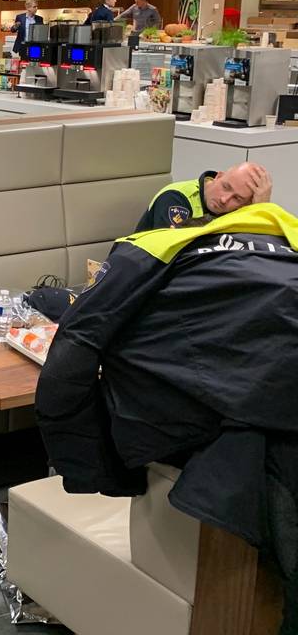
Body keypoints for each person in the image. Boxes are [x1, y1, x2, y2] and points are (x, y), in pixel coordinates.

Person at [35, 204, 298, 589]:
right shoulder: (284, 237)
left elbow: (69, 358)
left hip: (249, 421)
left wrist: (102, 474)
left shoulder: (154, 245)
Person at [134, 164, 272, 231]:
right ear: (218, 176)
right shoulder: (175, 197)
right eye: (226, 187)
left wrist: (259, 210)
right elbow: (172, 250)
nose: (224, 199)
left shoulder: (242, 211)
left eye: (237, 198)